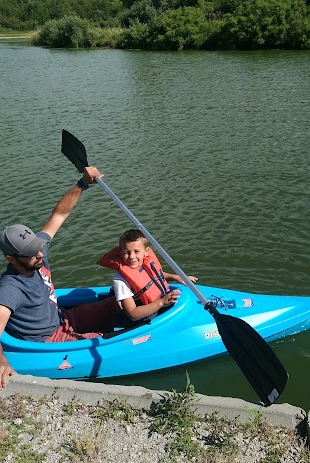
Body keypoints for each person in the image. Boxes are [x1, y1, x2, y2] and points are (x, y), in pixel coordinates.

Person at [0, 167, 120, 391]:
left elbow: (59, 214)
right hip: (49, 341)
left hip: (62, 318)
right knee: (112, 339)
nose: (39, 254)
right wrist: (2, 362)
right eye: (30, 252)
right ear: (11, 258)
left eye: (38, 247)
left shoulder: (37, 251)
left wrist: (82, 183)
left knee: (115, 306)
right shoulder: (10, 288)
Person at [97, 229, 198, 323]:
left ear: (146, 251)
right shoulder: (120, 280)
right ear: (120, 253)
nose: (132, 257)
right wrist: (161, 302)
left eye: (136, 251)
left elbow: (155, 276)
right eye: (127, 252)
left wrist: (175, 277)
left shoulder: (145, 263)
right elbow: (133, 314)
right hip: (141, 319)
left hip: (160, 304)